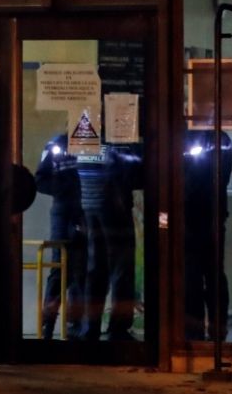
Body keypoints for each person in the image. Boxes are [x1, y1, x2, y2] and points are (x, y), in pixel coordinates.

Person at [77, 143, 143, 341]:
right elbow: (133, 173)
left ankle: (90, 328)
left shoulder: (86, 141)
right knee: (122, 269)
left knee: (95, 270)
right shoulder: (118, 143)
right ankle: (118, 329)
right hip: (114, 208)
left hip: (89, 205)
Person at [183, 129, 232, 341]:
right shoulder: (223, 140)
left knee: (194, 278)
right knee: (213, 277)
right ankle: (216, 328)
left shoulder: (186, 139)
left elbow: (188, 179)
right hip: (212, 217)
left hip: (192, 219)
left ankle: (195, 332)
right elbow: (222, 178)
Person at [34, 134, 87, 339]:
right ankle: (48, 325)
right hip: (65, 211)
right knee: (60, 266)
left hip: (87, 209)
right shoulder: (56, 144)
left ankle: (75, 326)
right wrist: (66, 189)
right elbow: (41, 179)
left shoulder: (96, 142)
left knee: (82, 269)